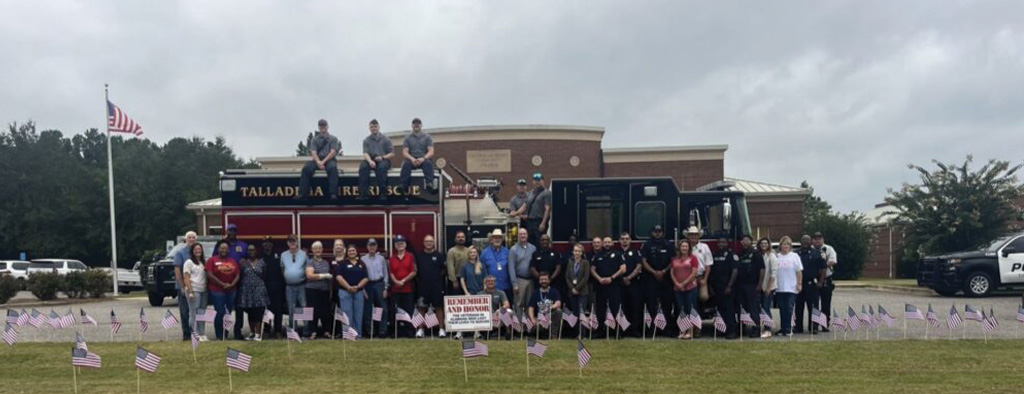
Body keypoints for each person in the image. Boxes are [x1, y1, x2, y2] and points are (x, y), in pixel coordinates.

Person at [640, 225, 674, 337]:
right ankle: (652, 329)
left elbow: (672, 260)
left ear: (662, 233)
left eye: (660, 231)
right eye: (656, 231)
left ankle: (667, 329)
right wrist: (654, 272)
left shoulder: (668, 244)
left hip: (666, 278)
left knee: (667, 304)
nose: (658, 233)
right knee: (651, 304)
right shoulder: (647, 245)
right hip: (651, 278)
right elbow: (644, 261)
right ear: (652, 233)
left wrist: (663, 271)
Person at [296, 118, 341, 201]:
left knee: (333, 168)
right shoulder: (314, 139)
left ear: (327, 127)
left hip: (329, 160)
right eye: (320, 126)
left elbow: (333, 152)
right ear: (319, 127)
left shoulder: (333, 139)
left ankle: (333, 194)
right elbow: (313, 152)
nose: (322, 127)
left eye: (324, 125)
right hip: (317, 159)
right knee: (306, 168)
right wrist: (318, 162)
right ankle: (303, 194)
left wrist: (323, 162)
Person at [205, 240, 240, 341]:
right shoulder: (212, 260)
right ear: (218, 249)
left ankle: (226, 334)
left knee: (228, 313)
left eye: (226, 248)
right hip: (217, 291)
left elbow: (237, 274)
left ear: (228, 250)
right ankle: (219, 335)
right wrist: (222, 284)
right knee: (220, 312)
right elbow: (209, 274)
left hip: (231, 290)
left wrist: (232, 284)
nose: (224, 250)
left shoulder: (232, 261)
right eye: (222, 248)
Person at [734, 235, 768, 338]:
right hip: (741, 285)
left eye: (747, 240)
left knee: (754, 308)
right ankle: (742, 328)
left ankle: (756, 329)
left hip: (753, 285)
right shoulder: (739, 254)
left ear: (751, 241)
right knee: (741, 308)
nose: (745, 242)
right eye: (743, 240)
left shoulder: (756, 254)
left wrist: (759, 284)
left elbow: (762, 269)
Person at [592, 236, 625, 337]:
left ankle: (616, 331)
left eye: (609, 242)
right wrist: (599, 279)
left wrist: (612, 278)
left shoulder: (618, 255)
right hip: (601, 286)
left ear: (612, 244)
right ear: (602, 244)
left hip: (614, 285)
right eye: (605, 242)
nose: (607, 244)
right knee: (600, 308)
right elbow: (592, 269)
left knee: (615, 308)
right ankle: (600, 331)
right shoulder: (597, 256)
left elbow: (623, 269)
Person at [415, 235, 446, 338]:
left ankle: (441, 329)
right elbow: (416, 271)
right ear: (424, 243)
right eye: (427, 241)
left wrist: (436, 278)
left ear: (434, 243)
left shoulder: (439, 255)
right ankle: (420, 330)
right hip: (423, 286)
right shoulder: (419, 256)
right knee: (422, 308)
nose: (429, 243)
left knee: (439, 307)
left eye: (431, 241)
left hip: (436, 286)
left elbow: (443, 270)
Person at [707, 237, 739, 339]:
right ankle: (722, 329)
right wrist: (710, 286)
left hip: (727, 286)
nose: (721, 244)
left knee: (729, 309)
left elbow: (735, 271)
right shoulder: (714, 254)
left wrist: (730, 286)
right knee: (719, 309)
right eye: (719, 242)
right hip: (716, 286)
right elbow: (711, 271)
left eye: (723, 242)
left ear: (727, 243)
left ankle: (732, 331)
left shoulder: (732, 255)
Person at [795, 234, 826, 334]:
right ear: (800, 241)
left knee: (813, 307)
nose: (805, 242)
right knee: (798, 307)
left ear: (810, 242)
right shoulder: (796, 254)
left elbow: (823, 268)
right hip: (799, 284)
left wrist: (821, 282)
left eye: (807, 240)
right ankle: (798, 327)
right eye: (803, 240)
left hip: (811, 284)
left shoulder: (818, 253)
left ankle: (814, 327)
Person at [238, 244, 269, 341]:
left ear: (256, 251)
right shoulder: (243, 263)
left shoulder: (262, 262)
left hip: (259, 290)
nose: (251, 252)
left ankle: (258, 334)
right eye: (249, 250)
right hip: (247, 291)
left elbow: (264, 276)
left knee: (258, 312)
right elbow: (241, 276)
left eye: (253, 250)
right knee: (250, 312)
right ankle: (252, 333)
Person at [336, 245, 368, 338]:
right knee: (347, 314)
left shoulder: (361, 264)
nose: (351, 252)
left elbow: (366, 278)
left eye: (353, 250)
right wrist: (348, 287)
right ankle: (348, 335)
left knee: (358, 314)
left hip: (359, 292)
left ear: (356, 252)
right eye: (350, 251)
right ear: (347, 252)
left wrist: (357, 287)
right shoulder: (342, 264)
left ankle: (357, 334)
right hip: (345, 292)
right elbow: (339, 277)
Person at [358, 119, 394, 201]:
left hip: (384, 159)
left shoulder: (386, 139)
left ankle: (382, 194)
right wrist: (370, 161)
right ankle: (363, 194)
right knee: (363, 167)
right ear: (369, 128)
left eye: (375, 126)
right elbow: (365, 153)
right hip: (371, 159)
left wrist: (382, 157)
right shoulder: (366, 140)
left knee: (381, 168)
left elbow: (392, 154)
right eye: (371, 127)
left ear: (379, 127)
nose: (373, 128)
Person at [389, 235, 417, 338]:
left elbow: (414, 271)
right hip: (395, 289)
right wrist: (396, 281)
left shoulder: (410, 256)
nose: (399, 245)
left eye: (401, 243)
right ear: (395, 246)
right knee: (395, 311)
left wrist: (403, 281)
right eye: (397, 243)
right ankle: (395, 332)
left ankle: (409, 332)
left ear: (405, 244)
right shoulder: (392, 258)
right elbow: (391, 272)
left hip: (408, 289)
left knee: (408, 311)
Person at [774, 236, 803, 337]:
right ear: (780, 245)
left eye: (787, 244)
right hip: (780, 288)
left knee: (789, 308)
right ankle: (783, 328)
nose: (785, 246)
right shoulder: (777, 257)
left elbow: (799, 271)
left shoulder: (794, 256)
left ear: (790, 246)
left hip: (791, 287)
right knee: (782, 308)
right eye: (783, 244)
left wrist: (799, 284)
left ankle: (788, 328)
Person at [670, 240, 699, 339]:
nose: (684, 248)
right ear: (679, 247)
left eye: (686, 246)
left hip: (690, 288)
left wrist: (684, 283)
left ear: (689, 248)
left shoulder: (693, 258)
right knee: (680, 310)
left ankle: (690, 332)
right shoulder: (674, 259)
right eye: (683, 246)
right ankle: (682, 330)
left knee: (690, 309)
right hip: (677, 289)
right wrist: (677, 284)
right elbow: (672, 272)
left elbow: (694, 273)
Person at [304, 241, 333, 339]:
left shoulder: (326, 262)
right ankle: (313, 332)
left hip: (325, 291)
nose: (318, 250)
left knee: (326, 312)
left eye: (319, 248)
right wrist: (323, 275)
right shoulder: (310, 262)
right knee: (313, 312)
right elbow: (309, 275)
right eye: (315, 248)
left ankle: (327, 331)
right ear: (312, 250)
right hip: (312, 290)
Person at [399, 118, 436, 194]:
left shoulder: (427, 137)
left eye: (418, 124)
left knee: (428, 163)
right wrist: (412, 159)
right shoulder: (407, 138)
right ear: (412, 126)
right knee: (406, 164)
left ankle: (429, 184)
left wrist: (423, 158)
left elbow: (431, 151)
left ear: (421, 125)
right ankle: (404, 185)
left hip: (423, 158)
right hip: (411, 159)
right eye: (414, 124)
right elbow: (405, 152)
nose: (416, 125)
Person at [172, 231, 198, 340]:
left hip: (196, 287)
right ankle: (187, 335)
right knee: (185, 312)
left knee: (195, 311)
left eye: (193, 237)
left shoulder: (198, 252)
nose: (191, 239)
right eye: (189, 237)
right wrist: (182, 286)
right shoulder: (180, 253)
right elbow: (177, 271)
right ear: (186, 239)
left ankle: (195, 333)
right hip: (184, 287)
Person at [617, 232, 643, 337]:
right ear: (619, 240)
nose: (624, 241)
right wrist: (621, 278)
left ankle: (634, 330)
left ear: (630, 240)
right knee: (622, 307)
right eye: (622, 239)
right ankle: (623, 330)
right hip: (619, 284)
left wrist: (628, 277)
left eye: (627, 239)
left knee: (635, 307)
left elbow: (639, 266)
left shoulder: (635, 253)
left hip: (633, 283)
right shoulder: (616, 253)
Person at [361, 238, 389, 338]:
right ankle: (369, 332)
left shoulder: (381, 259)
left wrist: (386, 288)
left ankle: (382, 331)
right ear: (367, 247)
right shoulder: (363, 259)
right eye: (370, 245)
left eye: (374, 245)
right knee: (368, 309)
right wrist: (363, 289)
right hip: (368, 285)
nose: (372, 247)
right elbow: (361, 276)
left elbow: (385, 274)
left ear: (376, 246)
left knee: (381, 308)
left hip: (379, 284)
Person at [225, 224, 249, 339]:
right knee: (226, 309)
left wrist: (245, 261)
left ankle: (238, 331)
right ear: (227, 231)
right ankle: (224, 332)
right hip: (225, 282)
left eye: (234, 230)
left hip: (240, 281)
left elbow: (250, 261)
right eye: (230, 230)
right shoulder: (222, 245)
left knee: (239, 309)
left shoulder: (243, 245)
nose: (232, 232)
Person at [281, 234, 308, 334]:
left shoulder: (303, 254)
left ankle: (306, 331)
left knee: (304, 307)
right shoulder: (283, 255)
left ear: (297, 242)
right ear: (287, 243)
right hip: (289, 286)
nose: (292, 243)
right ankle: (293, 331)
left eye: (294, 241)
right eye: (290, 241)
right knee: (291, 308)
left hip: (301, 285)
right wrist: (289, 277)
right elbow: (282, 269)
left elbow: (307, 269)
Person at [182, 243, 209, 342]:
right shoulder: (188, 262)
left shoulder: (203, 262)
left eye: (199, 249)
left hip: (204, 291)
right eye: (196, 249)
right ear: (192, 251)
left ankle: (202, 333)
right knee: (194, 312)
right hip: (194, 290)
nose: (198, 251)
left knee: (202, 312)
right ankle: (195, 334)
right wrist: (190, 291)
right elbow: (186, 277)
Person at [531, 234, 564, 309]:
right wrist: (541, 279)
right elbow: (532, 268)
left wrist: (550, 279)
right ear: (540, 242)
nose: (544, 241)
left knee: (555, 304)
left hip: (553, 283)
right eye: (543, 240)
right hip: (539, 285)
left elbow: (558, 267)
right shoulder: (535, 254)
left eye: (546, 240)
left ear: (549, 242)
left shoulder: (555, 253)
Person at [261, 237, 285, 339]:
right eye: (265, 243)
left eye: (269, 243)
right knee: (267, 309)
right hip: (265, 286)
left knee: (278, 309)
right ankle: (266, 330)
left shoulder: (278, 255)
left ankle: (278, 330)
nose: (267, 245)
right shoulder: (260, 257)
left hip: (278, 285)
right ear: (263, 245)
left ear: (272, 244)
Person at [813, 232, 838, 329]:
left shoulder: (828, 249)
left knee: (825, 303)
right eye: (815, 239)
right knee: (814, 304)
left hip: (826, 278)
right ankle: (814, 324)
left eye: (819, 238)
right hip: (814, 278)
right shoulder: (811, 250)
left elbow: (833, 261)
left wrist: (822, 265)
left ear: (823, 239)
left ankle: (824, 324)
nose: (817, 240)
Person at [480, 229, 512, 302]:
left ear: (502, 239)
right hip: (490, 288)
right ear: (491, 239)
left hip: (505, 286)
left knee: (506, 311)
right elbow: (482, 270)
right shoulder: (484, 253)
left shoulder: (507, 252)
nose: (497, 239)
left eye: (499, 237)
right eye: (495, 237)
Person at [508, 228, 536, 314]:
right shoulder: (513, 250)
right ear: (518, 236)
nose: (523, 236)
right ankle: (519, 325)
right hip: (520, 280)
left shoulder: (533, 248)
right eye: (521, 234)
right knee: (519, 303)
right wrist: (514, 284)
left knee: (530, 304)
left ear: (527, 235)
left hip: (531, 281)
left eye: (524, 234)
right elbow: (511, 267)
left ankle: (528, 325)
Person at [684, 226, 713, 305]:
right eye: (691, 235)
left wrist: (705, 280)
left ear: (698, 236)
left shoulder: (704, 247)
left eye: (695, 234)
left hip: (700, 277)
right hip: (686, 278)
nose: (693, 236)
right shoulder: (684, 247)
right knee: (688, 300)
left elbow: (708, 265)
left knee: (703, 298)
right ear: (688, 236)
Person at [527, 271, 562, 337]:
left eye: (545, 279)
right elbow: (531, 307)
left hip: (549, 316)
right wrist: (532, 319)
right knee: (532, 326)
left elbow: (558, 303)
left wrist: (550, 308)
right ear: (539, 281)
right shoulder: (535, 293)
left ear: (549, 280)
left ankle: (553, 335)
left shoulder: (554, 291)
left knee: (558, 311)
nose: (543, 281)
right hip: (539, 318)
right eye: (541, 279)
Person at [756, 237, 778, 334]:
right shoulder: (758, 255)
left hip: (769, 287)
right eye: (762, 243)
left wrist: (769, 288)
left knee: (766, 307)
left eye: (766, 243)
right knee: (760, 308)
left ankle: (768, 328)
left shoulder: (771, 256)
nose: (764, 245)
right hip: (760, 286)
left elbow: (774, 273)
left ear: (769, 244)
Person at [565, 244, 592, 324]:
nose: (577, 253)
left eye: (579, 251)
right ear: (573, 252)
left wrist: (577, 288)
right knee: (575, 313)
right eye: (576, 251)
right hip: (571, 291)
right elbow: (567, 277)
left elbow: (586, 277)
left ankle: (582, 334)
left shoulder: (585, 262)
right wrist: (572, 289)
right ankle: (576, 333)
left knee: (582, 313)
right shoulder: (570, 263)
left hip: (582, 291)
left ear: (582, 253)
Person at [523, 173, 552, 246]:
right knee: (529, 243)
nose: (537, 182)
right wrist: (515, 213)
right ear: (533, 181)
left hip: (539, 221)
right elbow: (524, 206)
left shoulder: (547, 193)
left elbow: (547, 209)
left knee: (539, 243)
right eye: (535, 180)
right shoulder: (530, 193)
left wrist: (543, 223)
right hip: (529, 222)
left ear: (543, 181)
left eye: (539, 180)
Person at [446, 231, 470, 295]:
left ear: (465, 239)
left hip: (467, 279)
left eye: (462, 237)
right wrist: (454, 280)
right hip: (456, 279)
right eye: (458, 237)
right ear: (455, 239)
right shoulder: (451, 251)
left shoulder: (468, 251)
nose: (460, 238)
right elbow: (450, 266)